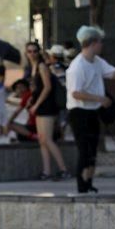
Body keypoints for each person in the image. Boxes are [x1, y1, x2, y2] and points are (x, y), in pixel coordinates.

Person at [65, 26, 115, 194]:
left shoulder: (96, 61)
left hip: (93, 111)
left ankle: (89, 182)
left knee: (92, 149)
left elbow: (111, 72)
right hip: (79, 112)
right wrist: (100, 99)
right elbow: (76, 93)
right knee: (84, 149)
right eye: (100, 42)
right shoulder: (77, 66)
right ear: (93, 43)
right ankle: (82, 185)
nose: (102, 45)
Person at [25, 40, 69, 180]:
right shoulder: (32, 67)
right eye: (29, 51)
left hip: (47, 106)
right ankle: (47, 171)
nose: (32, 54)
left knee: (47, 139)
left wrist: (36, 104)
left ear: (39, 52)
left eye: (35, 51)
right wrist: (32, 100)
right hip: (39, 104)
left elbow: (47, 87)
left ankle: (63, 169)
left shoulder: (42, 66)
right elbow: (36, 88)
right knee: (42, 140)